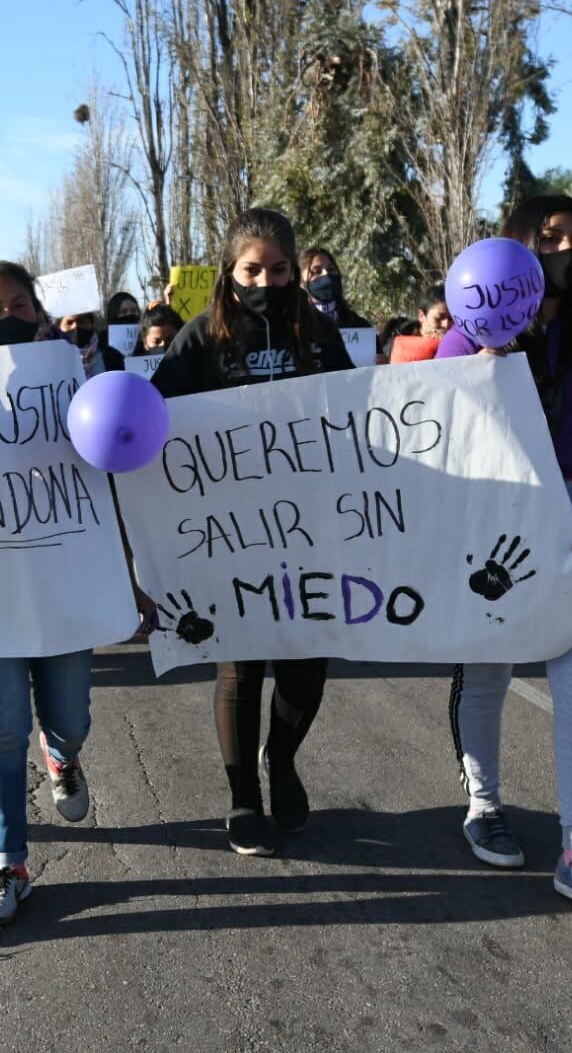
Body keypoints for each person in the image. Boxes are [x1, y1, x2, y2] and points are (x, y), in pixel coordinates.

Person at [435, 193, 572, 918]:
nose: (566, 251)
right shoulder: (463, 338)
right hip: (494, 526)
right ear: (515, 246)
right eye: (550, 237)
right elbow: (435, 434)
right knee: (485, 674)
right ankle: (482, 805)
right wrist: (481, 365)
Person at [0, 259, 151, 926]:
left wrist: (133, 570)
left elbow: (115, 459)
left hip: (64, 578)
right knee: (1, 729)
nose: (2, 315)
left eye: (15, 303)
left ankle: (62, 754)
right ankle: (7, 865)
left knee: (69, 716)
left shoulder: (71, 375)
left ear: (36, 309)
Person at [150, 209, 355, 858]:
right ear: (229, 272)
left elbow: (361, 412)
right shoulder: (199, 338)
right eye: (251, 269)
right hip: (228, 533)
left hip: (309, 531)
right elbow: (154, 419)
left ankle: (283, 760)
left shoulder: (319, 334)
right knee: (240, 663)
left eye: (277, 268)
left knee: (305, 663)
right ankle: (242, 797)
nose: (264, 279)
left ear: (295, 271)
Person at [300, 246, 372, 330]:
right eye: (317, 271)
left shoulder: (359, 326)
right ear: (300, 282)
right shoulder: (294, 328)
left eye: (331, 269)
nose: (326, 273)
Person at [57, 307, 126, 376]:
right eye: (69, 323)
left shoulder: (111, 355)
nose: (76, 327)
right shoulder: (53, 358)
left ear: (91, 324)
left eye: (82, 322)